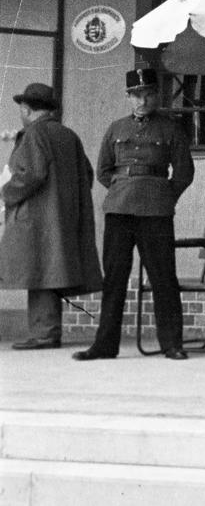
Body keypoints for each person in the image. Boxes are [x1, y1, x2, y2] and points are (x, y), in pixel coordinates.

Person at [75, 68, 194, 361]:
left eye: (149, 94)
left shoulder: (170, 129)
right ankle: (104, 345)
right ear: (128, 97)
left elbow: (184, 172)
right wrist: (121, 189)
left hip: (156, 211)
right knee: (114, 278)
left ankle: (171, 344)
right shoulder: (115, 129)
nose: (143, 100)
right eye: (137, 95)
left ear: (157, 96)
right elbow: (103, 171)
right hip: (119, 209)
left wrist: (165, 196)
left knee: (163, 277)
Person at [0, 83, 103, 349]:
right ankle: (48, 331)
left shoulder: (34, 134)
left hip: (37, 220)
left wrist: (5, 192)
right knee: (51, 272)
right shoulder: (69, 135)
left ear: (26, 109)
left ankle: (44, 333)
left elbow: (29, 174)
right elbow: (87, 175)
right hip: (64, 220)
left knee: (39, 273)